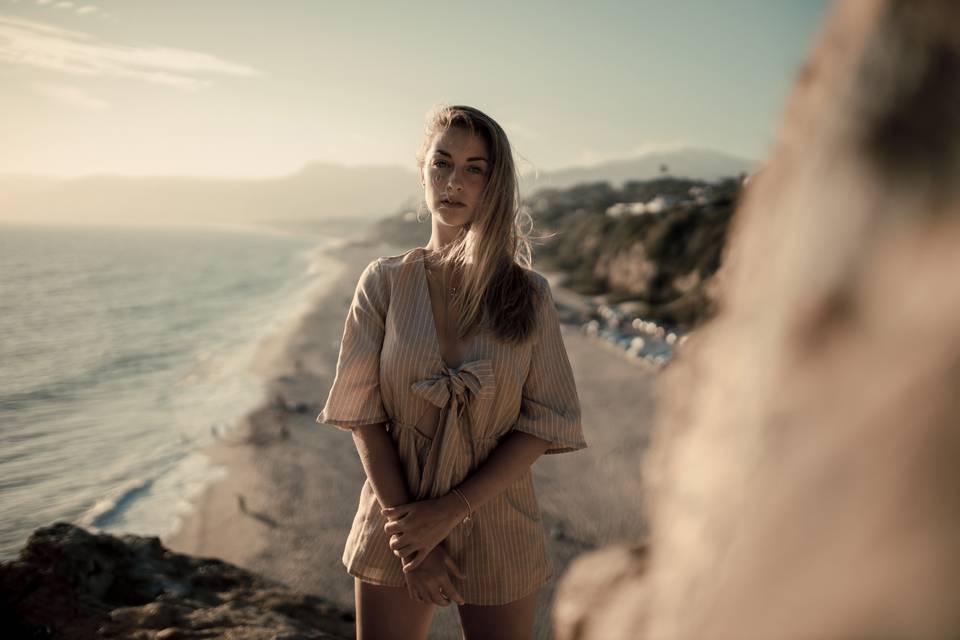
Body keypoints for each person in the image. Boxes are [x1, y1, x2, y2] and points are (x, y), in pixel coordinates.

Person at [316, 104, 587, 640]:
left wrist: (452, 511)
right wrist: (414, 539)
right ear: (422, 170)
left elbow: (545, 419)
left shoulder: (528, 295)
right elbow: (362, 416)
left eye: (473, 168)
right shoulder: (384, 282)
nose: (453, 181)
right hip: (398, 511)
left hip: (498, 511)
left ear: (495, 183)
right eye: (441, 163)